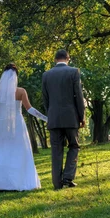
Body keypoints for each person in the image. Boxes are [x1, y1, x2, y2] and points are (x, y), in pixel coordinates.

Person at [0, 63, 47, 191]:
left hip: (2, 125)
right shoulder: (21, 91)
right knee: (18, 151)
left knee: (0, 151)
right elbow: (29, 109)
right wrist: (46, 118)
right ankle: (17, 181)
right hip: (17, 124)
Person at [42, 49, 85, 190]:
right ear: (68, 58)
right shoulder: (74, 72)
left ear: (55, 59)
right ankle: (68, 177)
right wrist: (81, 116)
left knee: (56, 150)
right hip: (70, 117)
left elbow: (46, 99)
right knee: (74, 146)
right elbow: (78, 96)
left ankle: (57, 183)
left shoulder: (46, 75)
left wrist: (50, 116)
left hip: (53, 118)